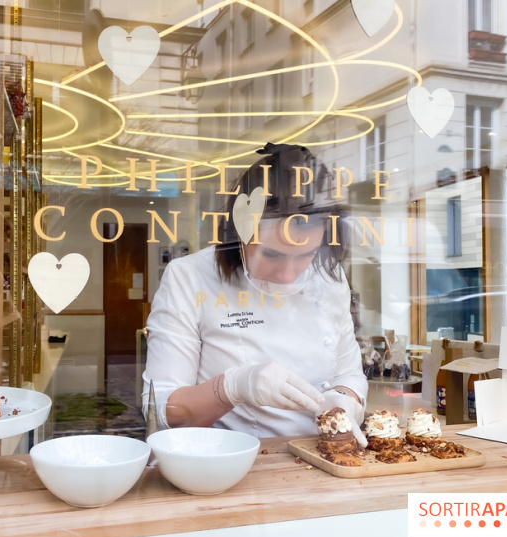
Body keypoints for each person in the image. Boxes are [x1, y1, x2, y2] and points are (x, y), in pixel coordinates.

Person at [142, 143, 368, 444]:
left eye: (306, 255)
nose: (288, 274)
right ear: (238, 234)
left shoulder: (330, 277)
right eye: (271, 255)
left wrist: (344, 400)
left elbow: (348, 373)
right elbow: (160, 409)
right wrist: (231, 388)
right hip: (232, 464)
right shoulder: (190, 277)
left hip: (323, 459)